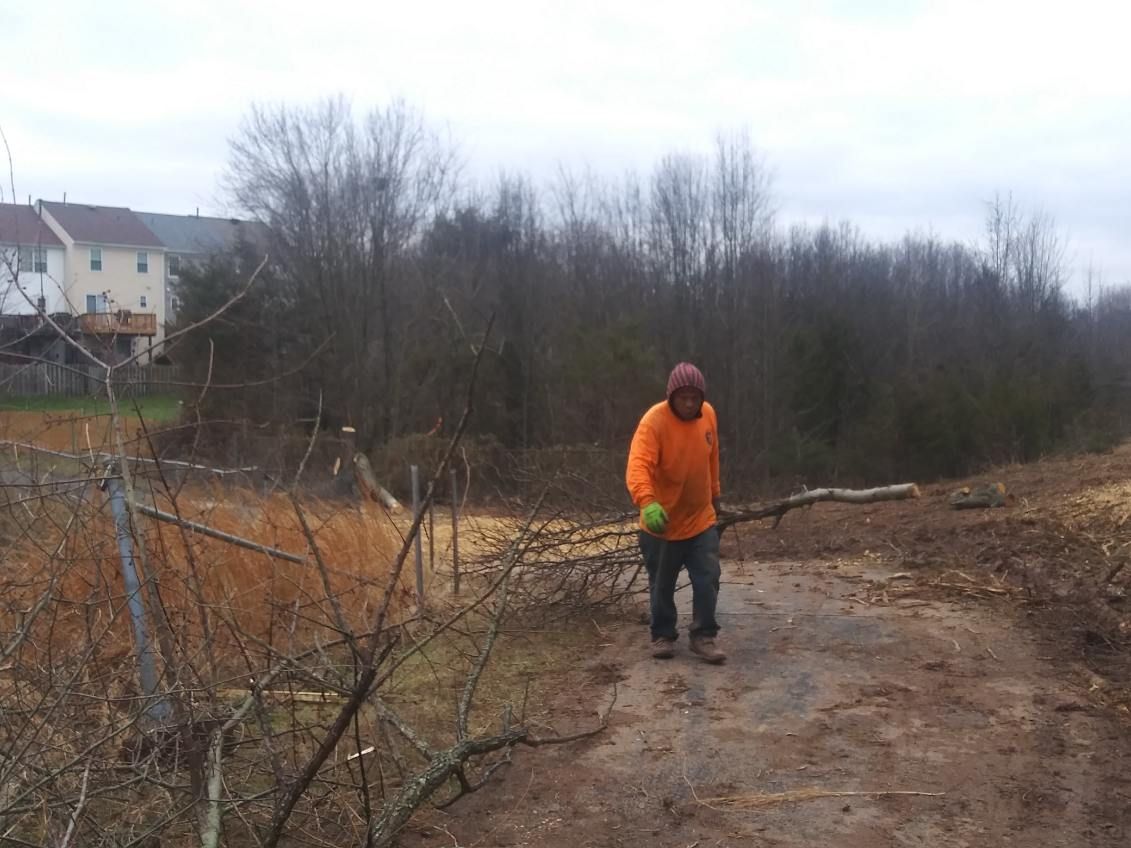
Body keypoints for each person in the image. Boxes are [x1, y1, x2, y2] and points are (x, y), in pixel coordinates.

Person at [626, 362, 726, 663]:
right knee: (661, 583)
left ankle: (704, 636)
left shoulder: (708, 414)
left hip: (700, 517)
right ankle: (663, 635)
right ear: (672, 396)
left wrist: (715, 494)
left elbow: (712, 458)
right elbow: (638, 466)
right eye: (683, 397)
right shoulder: (654, 422)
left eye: (695, 397)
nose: (689, 403)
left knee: (708, 577)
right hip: (662, 522)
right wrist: (647, 501)